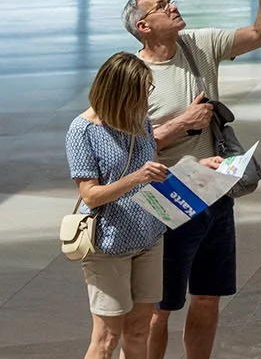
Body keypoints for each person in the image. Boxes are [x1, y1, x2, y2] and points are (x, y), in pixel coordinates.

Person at [125, 0, 261, 359]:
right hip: (167, 202)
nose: (173, 6)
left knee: (208, 298)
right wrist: (181, 124)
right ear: (143, 26)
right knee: (161, 308)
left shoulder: (199, 45)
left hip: (213, 195)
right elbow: (123, 150)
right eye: (162, 6)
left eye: (169, 1)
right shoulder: (131, 76)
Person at [66, 52, 168, 359]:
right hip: (108, 244)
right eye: (141, 91)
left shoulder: (141, 123)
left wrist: (199, 166)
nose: (146, 99)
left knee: (140, 329)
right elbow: (90, 196)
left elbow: (154, 172)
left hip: (149, 237)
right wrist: (136, 178)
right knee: (107, 338)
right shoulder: (82, 131)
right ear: (119, 92)